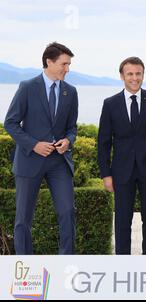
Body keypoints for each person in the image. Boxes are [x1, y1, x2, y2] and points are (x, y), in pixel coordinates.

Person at [4, 42, 78, 254]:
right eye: (64, 64)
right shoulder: (27, 87)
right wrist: (34, 144)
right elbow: (10, 123)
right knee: (23, 218)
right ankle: (24, 265)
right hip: (29, 160)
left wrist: (68, 141)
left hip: (59, 162)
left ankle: (67, 263)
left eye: (69, 64)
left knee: (67, 212)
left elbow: (72, 127)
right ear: (49, 61)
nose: (67, 69)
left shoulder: (70, 92)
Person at [97, 57, 146, 255]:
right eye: (130, 74)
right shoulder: (110, 104)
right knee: (122, 221)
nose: (134, 78)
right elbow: (104, 142)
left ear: (143, 75)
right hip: (121, 172)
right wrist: (106, 174)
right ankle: (123, 265)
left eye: (138, 73)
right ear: (122, 76)